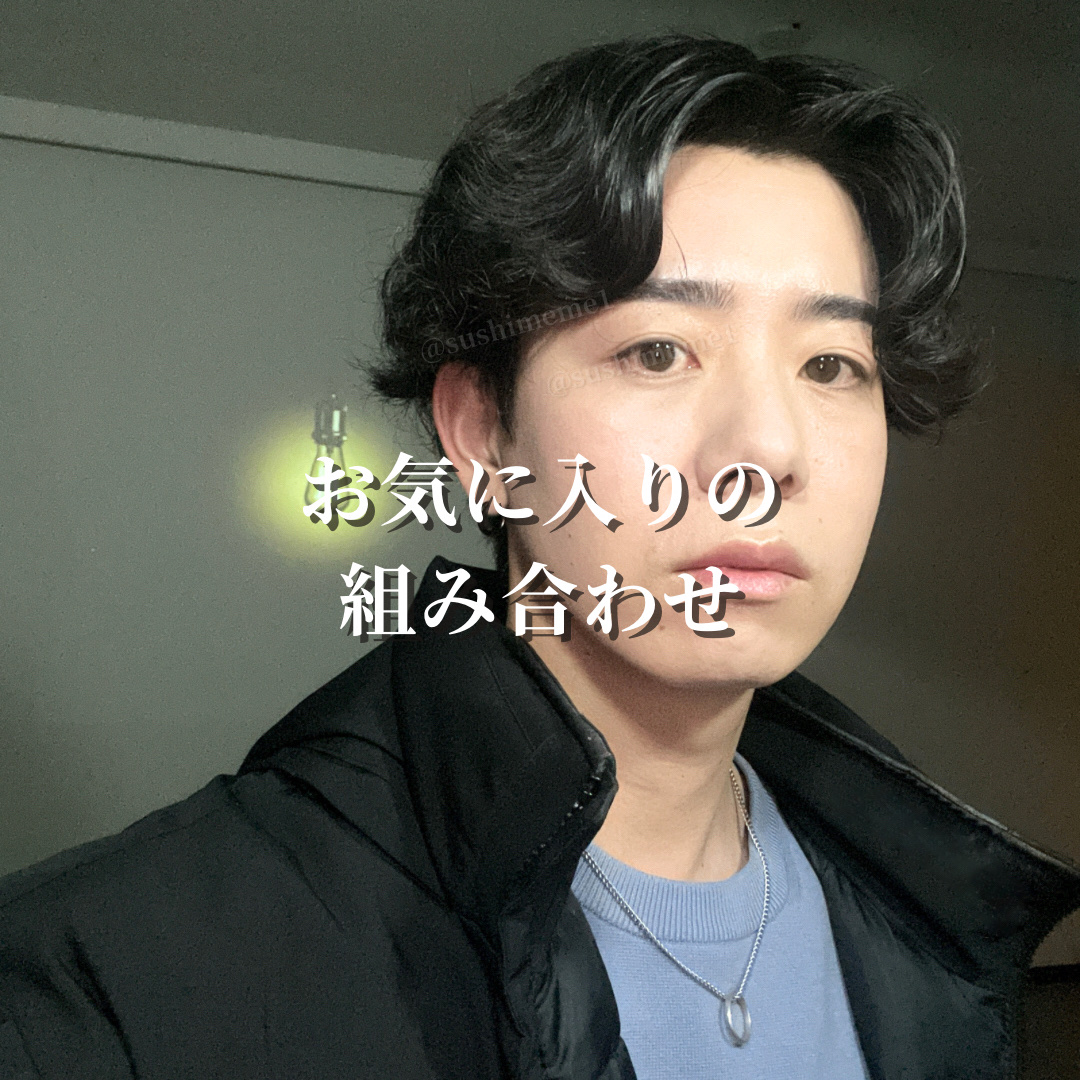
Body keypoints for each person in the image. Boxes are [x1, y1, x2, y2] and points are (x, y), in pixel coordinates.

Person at [1, 33, 1077, 1080]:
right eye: (659, 350)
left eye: (832, 364)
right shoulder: (108, 987)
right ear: (483, 434)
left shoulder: (925, 909)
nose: (769, 451)